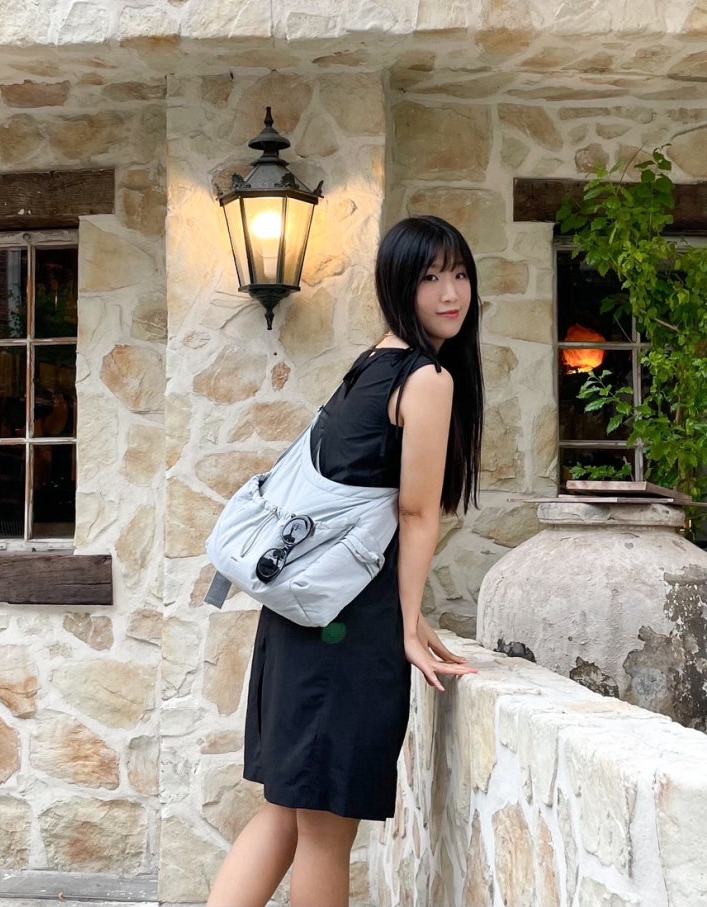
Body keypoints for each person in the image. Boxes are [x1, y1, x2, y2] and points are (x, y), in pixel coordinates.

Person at [207, 215, 484, 907]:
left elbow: (362, 500)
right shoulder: (426, 378)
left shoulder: (369, 364)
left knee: (285, 814)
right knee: (324, 834)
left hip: (302, 618)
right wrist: (407, 622)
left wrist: (409, 618)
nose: (450, 293)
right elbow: (415, 512)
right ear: (398, 284)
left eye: (459, 274)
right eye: (429, 277)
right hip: (346, 628)